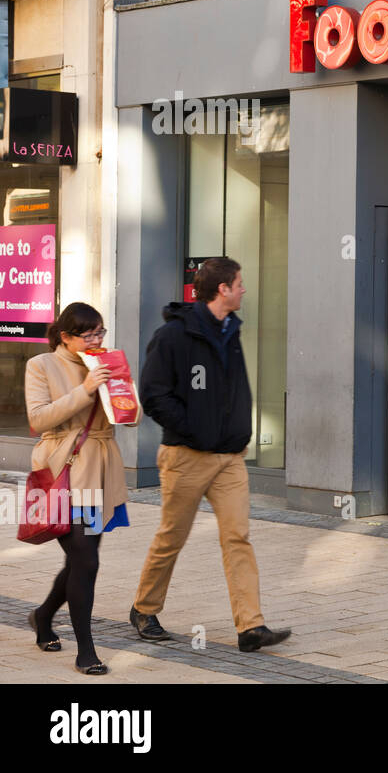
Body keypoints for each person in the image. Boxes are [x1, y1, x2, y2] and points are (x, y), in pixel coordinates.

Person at [128, 257, 291, 652]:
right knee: (172, 537)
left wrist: (238, 431)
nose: (243, 289)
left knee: (238, 537)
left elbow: (235, 390)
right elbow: (152, 394)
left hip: (230, 458)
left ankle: (251, 626)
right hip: (185, 456)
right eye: (239, 283)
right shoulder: (172, 336)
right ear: (223, 289)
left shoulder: (230, 330)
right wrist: (194, 429)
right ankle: (144, 608)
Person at [25, 303, 128, 675]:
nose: (97, 341)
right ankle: (87, 651)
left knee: (80, 560)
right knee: (86, 559)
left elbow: (129, 418)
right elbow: (38, 418)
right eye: (89, 335)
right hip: (61, 474)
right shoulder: (40, 365)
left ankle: (43, 615)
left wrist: (123, 394)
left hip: (100, 473)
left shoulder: (106, 361)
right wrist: (86, 389)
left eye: (101, 332)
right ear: (65, 336)